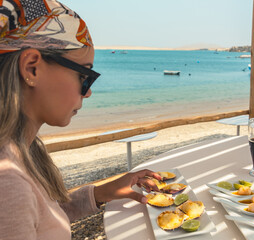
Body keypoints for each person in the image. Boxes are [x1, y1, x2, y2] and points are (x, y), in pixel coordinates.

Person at [0, 1, 161, 239]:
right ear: (31, 68)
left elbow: (42, 219)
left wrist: (101, 192)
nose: (88, 92)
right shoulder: (8, 183)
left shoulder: (21, 152)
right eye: (85, 76)